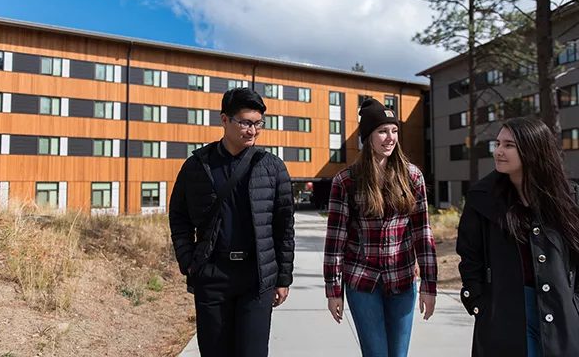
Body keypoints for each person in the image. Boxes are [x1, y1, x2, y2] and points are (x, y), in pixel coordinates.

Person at [168, 87, 295, 357]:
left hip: (256, 277)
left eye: (258, 123)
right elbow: (178, 216)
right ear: (224, 120)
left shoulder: (272, 167)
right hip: (212, 275)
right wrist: (189, 261)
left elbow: (284, 227)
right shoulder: (197, 165)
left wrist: (283, 278)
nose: (253, 130)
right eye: (246, 123)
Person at [323, 98, 438, 357]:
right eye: (382, 131)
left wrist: (430, 285)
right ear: (367, 137)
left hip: (403, 279)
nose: (390, 137)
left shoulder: (413, 177)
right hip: (363, 282)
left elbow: (423, 233)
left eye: (394, 130)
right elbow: (335, 242)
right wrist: (334, 290)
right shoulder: (347, 181)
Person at [457, 117, 579, 357]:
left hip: (562, 311)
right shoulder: (482, 199)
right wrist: (478, 302)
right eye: (498, 143)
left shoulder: (569, 198)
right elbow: (469, 255)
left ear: (533, 150)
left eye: (509, 145)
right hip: (504, 315)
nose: (498, 151)